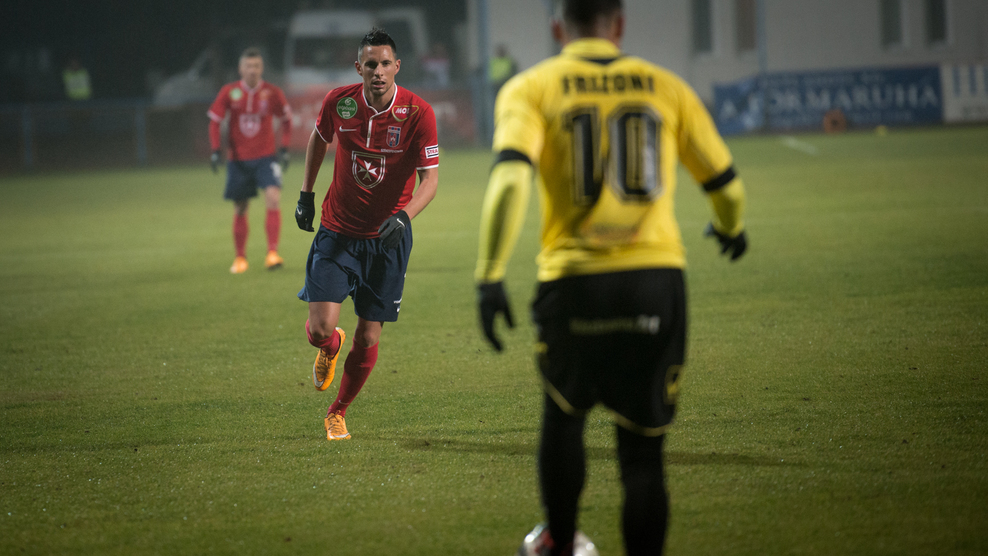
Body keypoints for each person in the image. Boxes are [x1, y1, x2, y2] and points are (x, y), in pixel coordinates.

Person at [474, 1, 748, 555]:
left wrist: (490, 275)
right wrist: (730, 229)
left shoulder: (532, 87)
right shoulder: (667, 87)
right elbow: (728, 188)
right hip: (655, 281)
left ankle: (559, 543)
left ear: (558, 27)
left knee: (564, 416)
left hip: (575, 281)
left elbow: (510, 181)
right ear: (619, 25)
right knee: (643, 455)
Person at [295, 28, 440, 441]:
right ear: (358, 67)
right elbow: (318, 139)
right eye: (370, 64)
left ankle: (337, 412)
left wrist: (405, 217)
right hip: (338, 231)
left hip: (387, 240)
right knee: (320, 330)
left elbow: (430, 180)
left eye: (385, 64)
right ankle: (329, 347)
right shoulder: (339, 102)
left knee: (369, 334)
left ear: (397, 66)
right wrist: (306, 194)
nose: (378, 71)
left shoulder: (418, 113)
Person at [207, 47, 292, 274]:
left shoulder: (272, 92)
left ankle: (272, 254)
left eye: (256, 66)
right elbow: (215, 121)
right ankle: (240, 258)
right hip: (239, 160)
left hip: (266, 157)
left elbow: (286, 119)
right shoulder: (230, 92)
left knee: (273, 197)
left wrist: (284, 148)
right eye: (248, 66)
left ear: (261, 68)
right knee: (241, 207)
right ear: (240, 68)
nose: (252, 70)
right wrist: (215, 150)